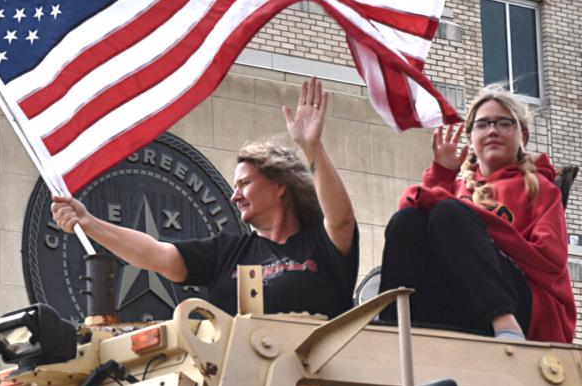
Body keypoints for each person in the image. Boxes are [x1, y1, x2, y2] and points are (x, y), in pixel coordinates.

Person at [52, 77, 359, 316]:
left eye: (245, 183)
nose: (234, 195)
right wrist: (88, 221)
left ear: (281, 186)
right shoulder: (226, 253)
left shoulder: (321, 245)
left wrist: (311, 147)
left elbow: (341, 219)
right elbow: (155, 254)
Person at [378, 85, 576, 343]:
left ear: (522, 137)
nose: (492, 130)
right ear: (471, 138)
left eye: (503, 123)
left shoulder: (541, 188)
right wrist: (441, 176)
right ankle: (393, 325)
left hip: (524, 309)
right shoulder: (456, 191)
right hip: (461, 302)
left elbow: (550, 260)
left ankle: (504, 322)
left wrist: (482, 230)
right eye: (482, 125)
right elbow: (412, 225)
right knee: (408, 220)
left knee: (449, 213)